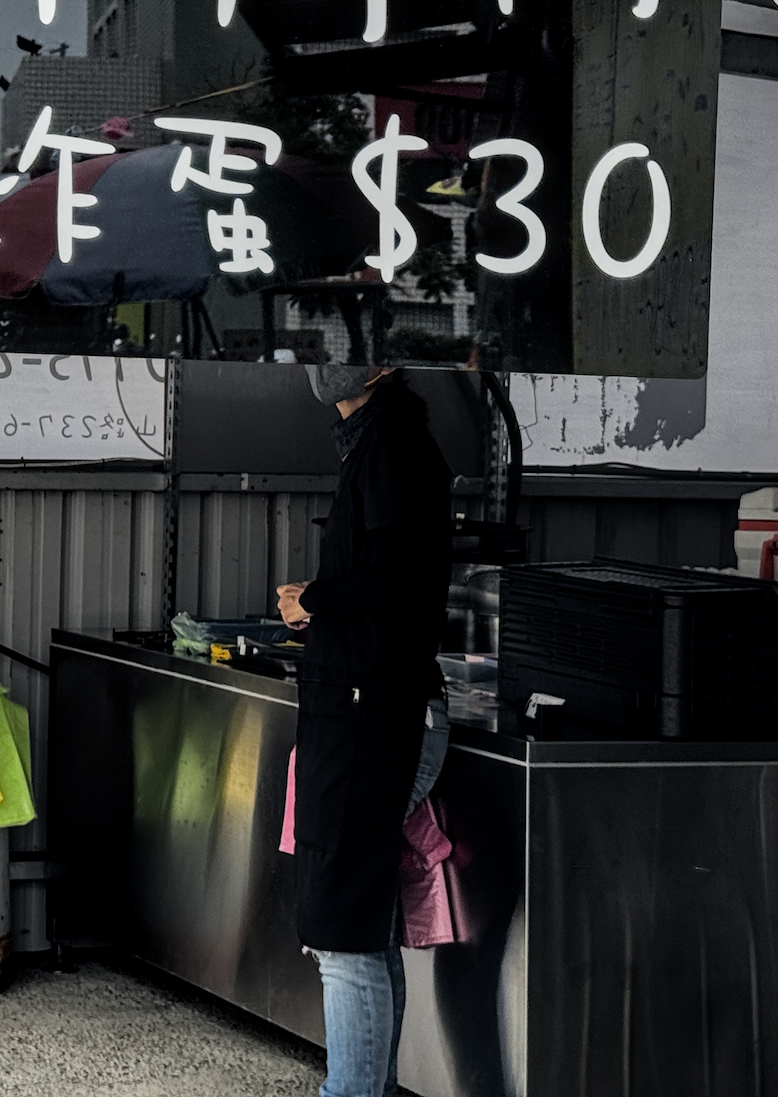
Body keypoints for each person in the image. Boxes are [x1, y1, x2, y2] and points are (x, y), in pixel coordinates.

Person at [278, 363, 453, 1097]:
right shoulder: (375, 441)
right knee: (356, 927)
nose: (322, 364)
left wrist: (316, 599)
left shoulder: (394, 447)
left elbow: (399, 580)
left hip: (376, 711)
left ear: (385, 362)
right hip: (359, 710)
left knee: (341, 930)